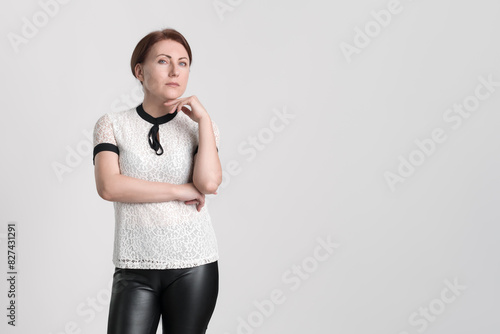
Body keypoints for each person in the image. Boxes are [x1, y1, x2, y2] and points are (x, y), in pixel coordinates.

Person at [92, 28, 222, 334]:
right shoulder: (112, 124)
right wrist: (179, 191)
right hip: (134, 266)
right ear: (140, 70)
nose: (175, 71)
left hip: (194, 264)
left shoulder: (202, 127)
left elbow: (208, 184)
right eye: (163, 61)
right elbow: (110, 186)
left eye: (184, 63)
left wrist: (202, 121)